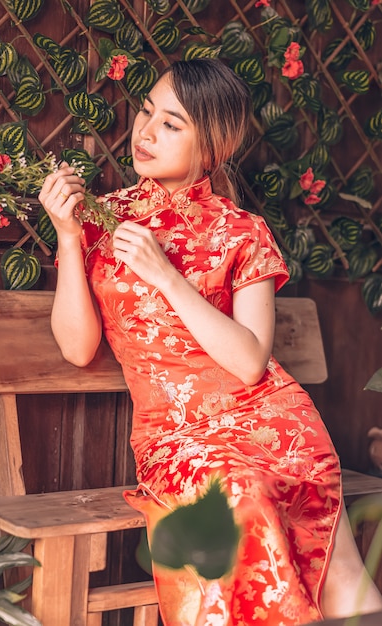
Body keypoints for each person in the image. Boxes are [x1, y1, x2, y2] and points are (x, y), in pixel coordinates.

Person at [39, 58, 382, 625]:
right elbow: (77, 349)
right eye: (147, 111)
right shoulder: (103, 219)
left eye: (172, 124)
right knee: (237, 492)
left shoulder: (241, 231)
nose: (146, 131)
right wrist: (70, 239)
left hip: (272, 421)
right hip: (178, 438)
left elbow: (250, 363)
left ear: (213, 146)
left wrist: (166, 275)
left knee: (341, 574)